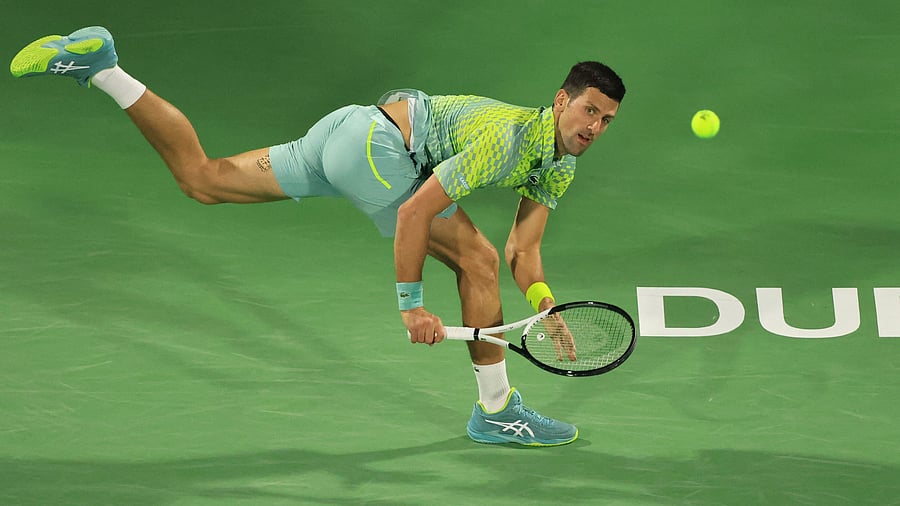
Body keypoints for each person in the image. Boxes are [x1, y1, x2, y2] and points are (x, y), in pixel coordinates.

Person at [11, 26, 625, 446]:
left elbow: (526, 251)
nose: (594, 126)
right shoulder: (509, 139)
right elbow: (416, 215)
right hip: (377, 150)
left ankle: (104, 69)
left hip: (347, 131)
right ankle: (496, 411)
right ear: (561, 100)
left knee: (202, 179)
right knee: (476, 260)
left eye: (606, 119)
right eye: (588, 110)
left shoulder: (560, 166)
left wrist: (545, 304)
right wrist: (411, 308)